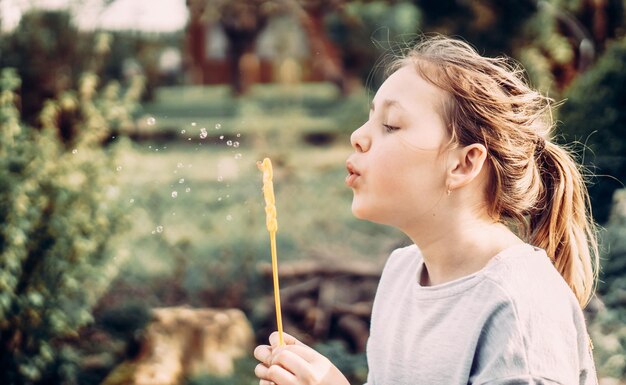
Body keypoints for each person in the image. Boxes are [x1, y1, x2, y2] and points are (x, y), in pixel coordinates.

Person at [253, 35, 599, 385]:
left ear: (464, 164)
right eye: (369, 119)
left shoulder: (519, 306)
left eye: (390, 125)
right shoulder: (401, 274)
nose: (358, 136)